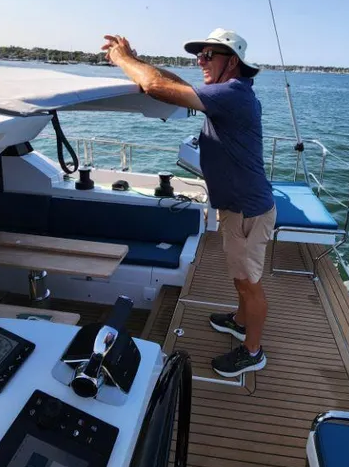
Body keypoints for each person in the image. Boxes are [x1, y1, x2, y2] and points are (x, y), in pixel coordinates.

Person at [102, 28, 276, 377]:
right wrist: (140, 62)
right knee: (240, 276)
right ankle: (240, 321)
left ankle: (253, 351)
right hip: (238, 206)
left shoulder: (233, 94)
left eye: (208, 55)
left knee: (248, 283)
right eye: (200, 55)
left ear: (233, 62)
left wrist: (122, 60)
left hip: (247, 209)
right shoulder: (229, 92)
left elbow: (157, 88)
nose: (200, 61)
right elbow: (176, 83)